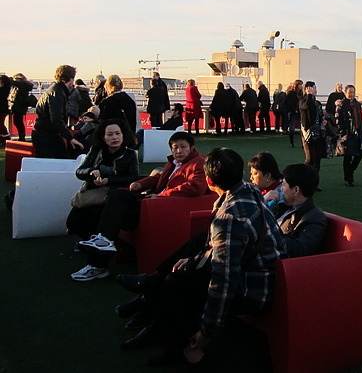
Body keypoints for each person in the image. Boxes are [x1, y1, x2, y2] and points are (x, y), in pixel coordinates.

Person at [118, 148, 286, 369]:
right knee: (186, 265)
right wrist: (193, 259)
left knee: (180, 284)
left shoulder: (230, 216)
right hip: (254, 272)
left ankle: (181, 348)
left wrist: (207, 330)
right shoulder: (247, 191)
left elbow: (223, 282)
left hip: (253, 288)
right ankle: (156, 304)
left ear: (209, 180)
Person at [70, 131, 208, 282]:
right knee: (117, 197)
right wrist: (140, 184)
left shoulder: (198, 162)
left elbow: (195, 187)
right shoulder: (173, 162)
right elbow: (157, 178)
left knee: (117, 211)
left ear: (192, 148)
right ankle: (103, 243)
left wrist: (162, 195)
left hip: (162, 206)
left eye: (183, 147)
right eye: (175, 148)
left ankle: (98, 262)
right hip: (153, 201)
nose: (179, 151)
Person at [65, 119, 140, 259]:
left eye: (118, 133)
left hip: (113, 197)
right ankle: (85, 238)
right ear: (103, 137)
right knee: (73, 221)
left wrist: (109, 180)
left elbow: (133, 177)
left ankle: (97, 242)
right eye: (110, 134)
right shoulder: (95, 150)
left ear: (123, 135)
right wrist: (91, 172)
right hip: (92, 194)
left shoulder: (130, 154)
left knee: (96, 215)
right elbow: (79, 171)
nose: (115, 137)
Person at [271, 163, 327, 257]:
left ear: (296, 190)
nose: (281, 188)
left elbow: (300, 250)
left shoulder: (314, 218)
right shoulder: (281, 206)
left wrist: (268, 235)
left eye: (284, 185)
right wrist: (263, 203)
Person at [31, 65, 84, 158]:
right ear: (71, 79)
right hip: (47, 136)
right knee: (60, 162)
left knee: (56, 163)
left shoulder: (54, 90)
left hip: (45, 134)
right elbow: (56, 119)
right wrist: (70, 138)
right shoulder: (58, 93)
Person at [335, 84, 362, 187]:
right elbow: (338, 120)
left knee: (360, 154)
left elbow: (360, 117)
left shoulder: (357, 104)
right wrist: (342, 132)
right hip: (347, 133)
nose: (352, 94)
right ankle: (348, 178)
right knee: (348, 156)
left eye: (353, 92)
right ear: (345, 93)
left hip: (358, 131)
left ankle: (350, 173)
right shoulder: (341, 105)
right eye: (350, 92)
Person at [299, 80, 326, 172]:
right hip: (308, 134)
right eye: (313, 88)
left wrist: (323, 120)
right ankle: (303, 178)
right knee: (310, 158)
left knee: (318, 158)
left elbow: (320, 115)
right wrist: (309, 95)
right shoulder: (302, 101)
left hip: (318, 132)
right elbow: (307, 106)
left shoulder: (317, 103)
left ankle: (314, 182)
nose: (315, 90)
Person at [9, 72, 34, 142]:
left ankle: (22, 137)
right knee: (19, 122)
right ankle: (22, 136)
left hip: (18, 106)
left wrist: (9, 79)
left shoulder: (20, 83)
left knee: (18, 122)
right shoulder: (24, 84)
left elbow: (11, 82)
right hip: (21, 106)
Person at [283, 79, 302, 147]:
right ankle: (292, 142)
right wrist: (290, 110)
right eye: (300, 85)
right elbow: (285, 103)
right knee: (292, 128)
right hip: (293, 112)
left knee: (302, 129)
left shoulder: (301, 94)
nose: (301, 86)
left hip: (300, 112)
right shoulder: (291, 93)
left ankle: (303, 143)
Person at [0, 75, 10, 146]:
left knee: (0, 124)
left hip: (1, 109)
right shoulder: (6, 88)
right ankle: (4, 138)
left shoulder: (4, 88)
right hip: (3, 109)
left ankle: (5, 138)